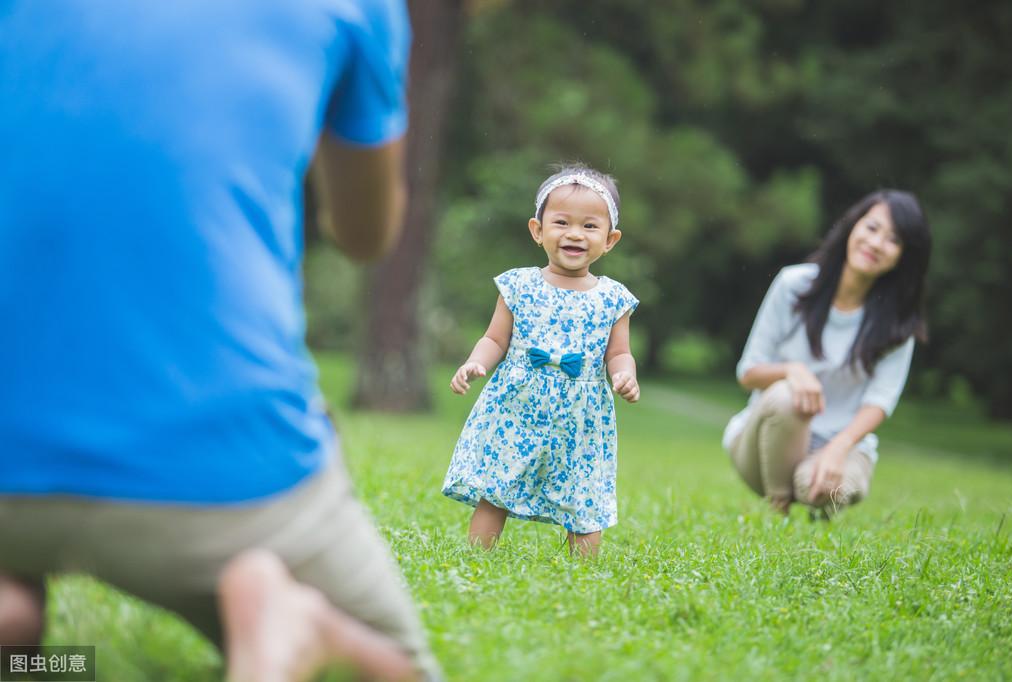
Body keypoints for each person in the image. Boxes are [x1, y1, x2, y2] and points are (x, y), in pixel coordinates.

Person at [0, 1, 441, 680]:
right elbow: (364, 234)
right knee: (397, 667)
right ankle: (292, 627)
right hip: (220, 481)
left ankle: (18, 625)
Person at [441, 164, 640, 557]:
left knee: (582, 498)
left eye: (589, 226)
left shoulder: (614, 297)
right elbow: (494, 338)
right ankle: (477, 559)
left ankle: (582, 574)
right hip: (517, 404)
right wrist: (475, 363)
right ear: (538, 230)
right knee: (496, 487)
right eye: (562, 222)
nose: (574, 234)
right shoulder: (518, 285)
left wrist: (624, 376)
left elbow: (619, 352)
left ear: (610, 239)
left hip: (581, 417)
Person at [723, 190, 931, 517]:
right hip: (762, 444)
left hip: (839, 445)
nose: (876, 244)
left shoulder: (898, 323)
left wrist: (838, 449)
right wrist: (792, 371)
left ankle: (811, 494)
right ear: (853, 227)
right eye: (872, 228)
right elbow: (748, 373)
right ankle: (778, 509)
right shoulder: (794, 284)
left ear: (904, 257)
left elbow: (880, 400)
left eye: (894, 240)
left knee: (823, 489)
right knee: (787, 397)